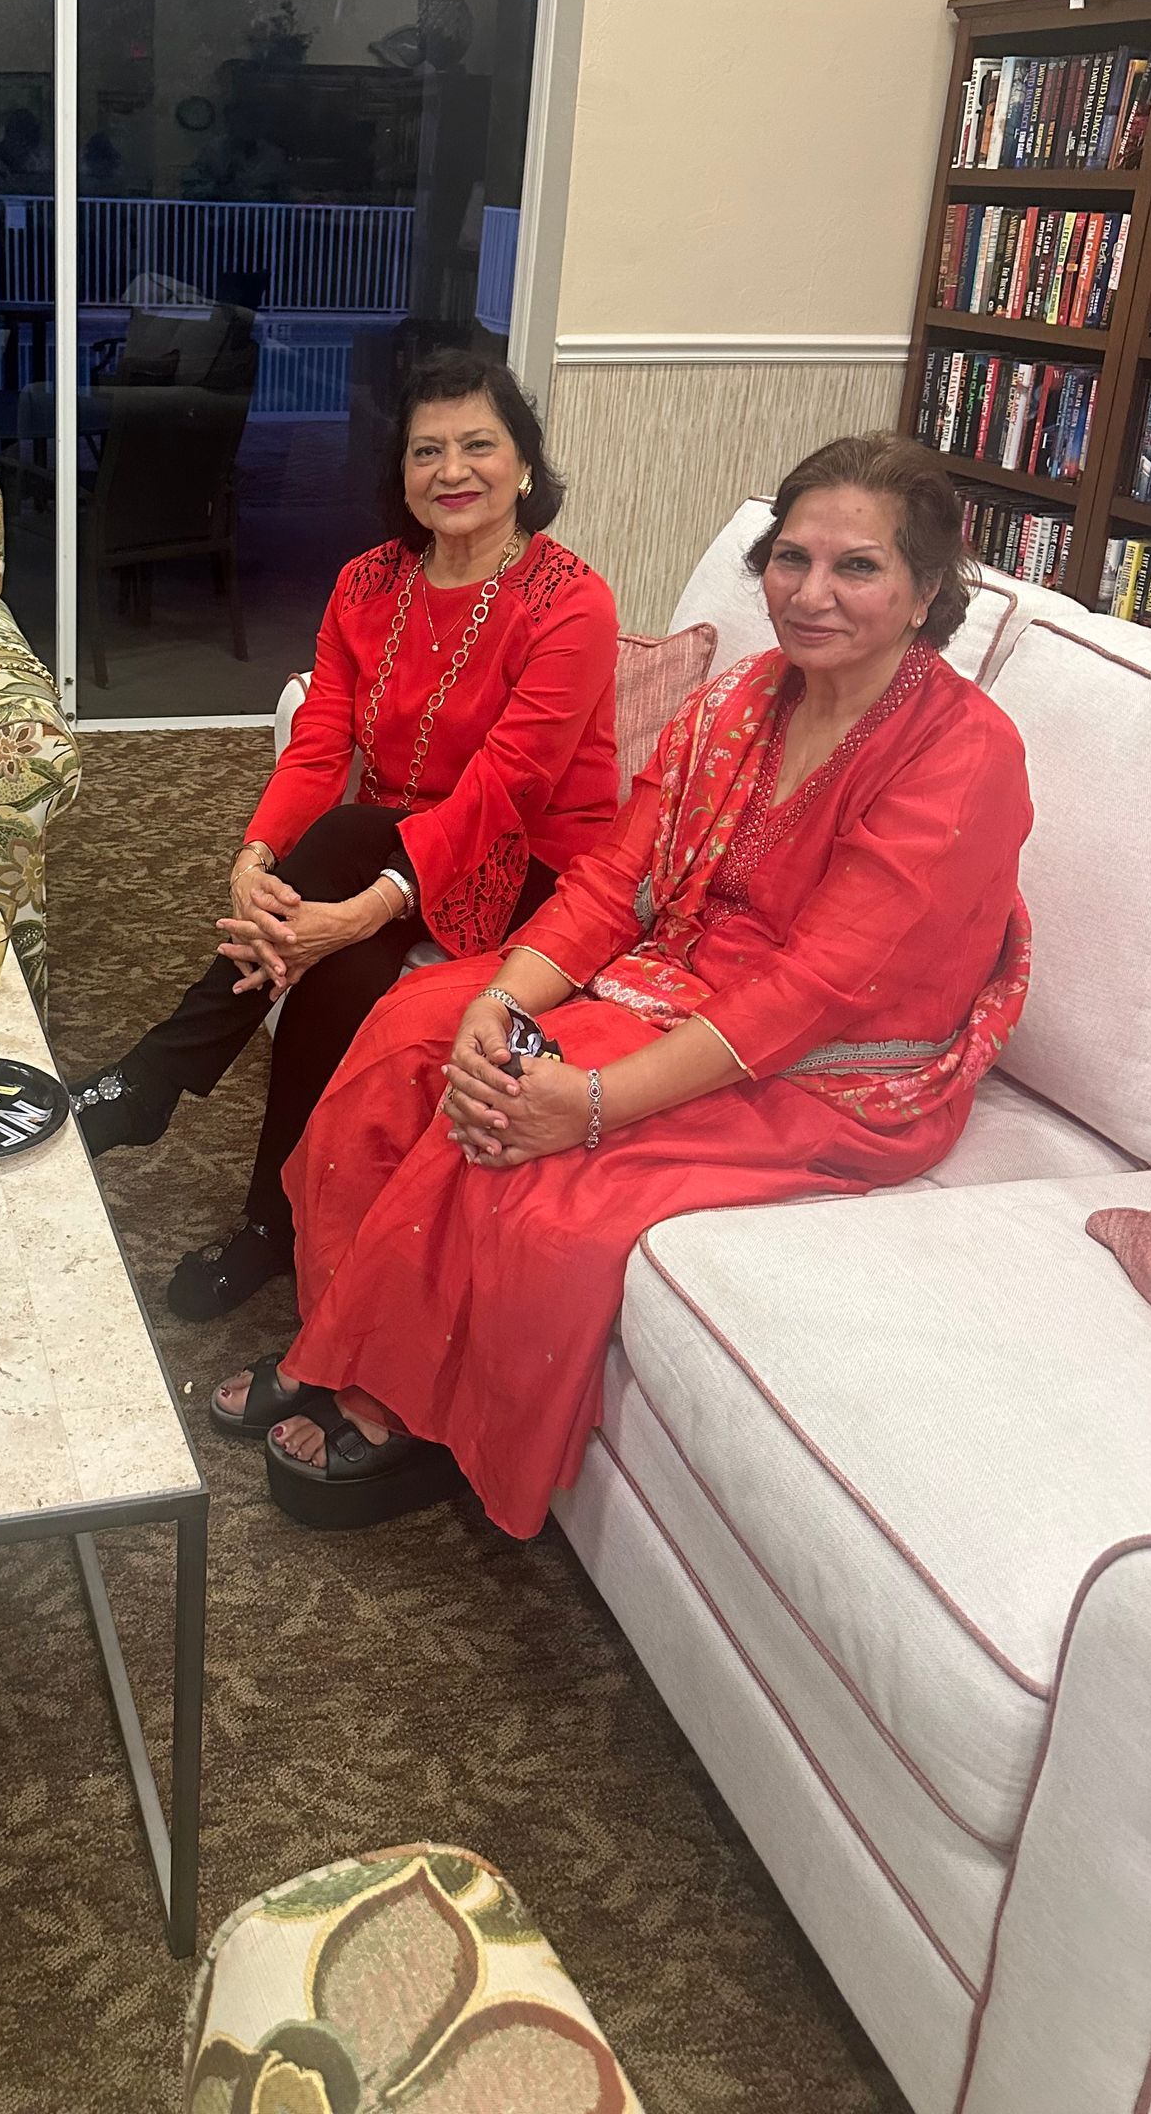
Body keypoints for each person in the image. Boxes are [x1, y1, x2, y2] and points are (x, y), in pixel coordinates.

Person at [211, 432, 1034, 1532]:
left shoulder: (963, 755)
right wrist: (502, 1000)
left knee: (513, 1142)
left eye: (858, 567)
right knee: (412, 1028)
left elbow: (814, 989)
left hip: (831, 1065)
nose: (812, 593)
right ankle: (339, 1338)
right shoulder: (742, 701)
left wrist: (588, 1104)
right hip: (676, 981)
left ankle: (405, 1407)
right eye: (791, 560)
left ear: (927, 589)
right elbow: (613, 879)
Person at [72, 351, 621, 1321]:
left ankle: (158, 1075)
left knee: (357, 841)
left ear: (525, 465)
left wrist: (369, 903)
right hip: (392, 844)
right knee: (335, 964)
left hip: (535, 865)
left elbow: (508, 787)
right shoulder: (368, 582)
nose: (452, 470)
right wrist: (254, 860)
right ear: (400, 475)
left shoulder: (570, 600)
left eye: (479, 445)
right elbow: (321, 735)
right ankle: (269, 1227)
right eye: (426, 451)